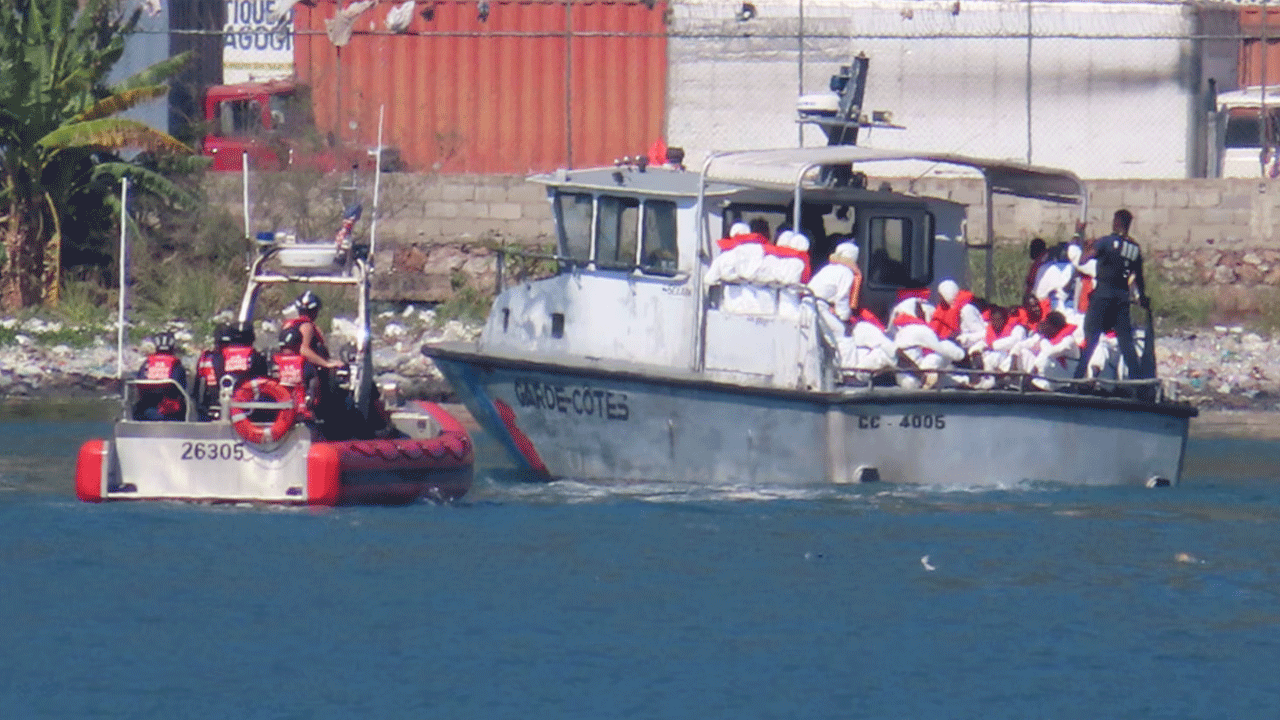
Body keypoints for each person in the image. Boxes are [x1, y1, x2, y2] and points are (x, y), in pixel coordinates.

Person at [1073, 209, 1149, 380]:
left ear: (1115, 222)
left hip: (1102, 295)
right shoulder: (1134, 248)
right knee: (1126, 342)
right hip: (1122, 298)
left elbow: (1083, 260)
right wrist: (1142, 297)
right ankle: (1136, 382)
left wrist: (1080, 235)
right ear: (1129, 225)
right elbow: (1139, 277)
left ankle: (1076, 379)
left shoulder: (1105, 242)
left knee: (1091, 338)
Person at [133, 332, 188, 421]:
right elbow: (183, 389)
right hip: (170, 413)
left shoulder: (146, 363)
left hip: (145, 410)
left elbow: (138, 383)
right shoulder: (177, 366)